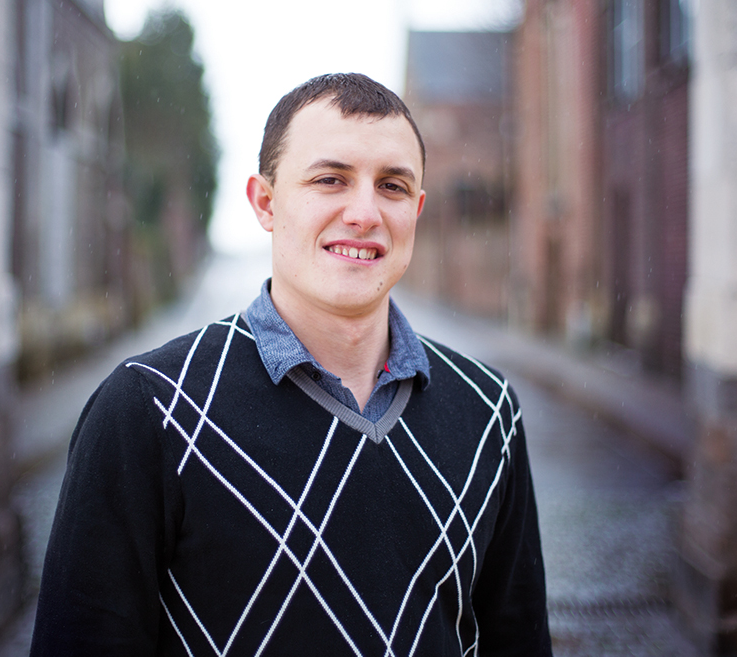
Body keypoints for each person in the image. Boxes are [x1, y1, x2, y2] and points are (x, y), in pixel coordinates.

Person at [30, 73, 552, 655]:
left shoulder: (488, 411)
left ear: (418, 209)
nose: (364, 212)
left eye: (393, 186)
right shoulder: (147, 409)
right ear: (265, 202)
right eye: (330, 179)